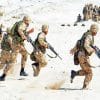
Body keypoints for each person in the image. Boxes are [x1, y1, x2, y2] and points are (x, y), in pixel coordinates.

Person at [70, 24, 98, 89]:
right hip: (83, 56)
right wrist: (92, 50)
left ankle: (74, 73)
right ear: (94, 31)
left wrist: (74, 49)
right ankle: (85, 86)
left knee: (86, 71)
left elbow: (79, 42)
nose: (96, 33)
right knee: (89, 72)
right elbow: (85, 45)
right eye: (96, 31)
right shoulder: (89, 36)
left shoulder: (86, 34)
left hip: (81, 55)